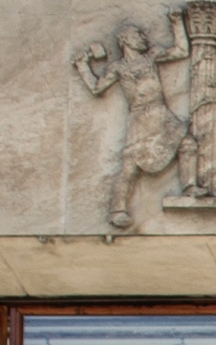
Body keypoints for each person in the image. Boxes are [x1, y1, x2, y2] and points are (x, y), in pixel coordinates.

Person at [72, 17, 194, 232]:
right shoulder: (118, 67)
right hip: (139, 118)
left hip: (161, 113)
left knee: (188, 144)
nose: (143, 37)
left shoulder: (152, 56)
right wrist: (83, 65)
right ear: (125, 40)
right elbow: (96, 88)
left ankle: (190, 186)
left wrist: (177, 23)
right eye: (137, 34)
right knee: (130, 167)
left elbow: (182, 51)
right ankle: (117, 209)